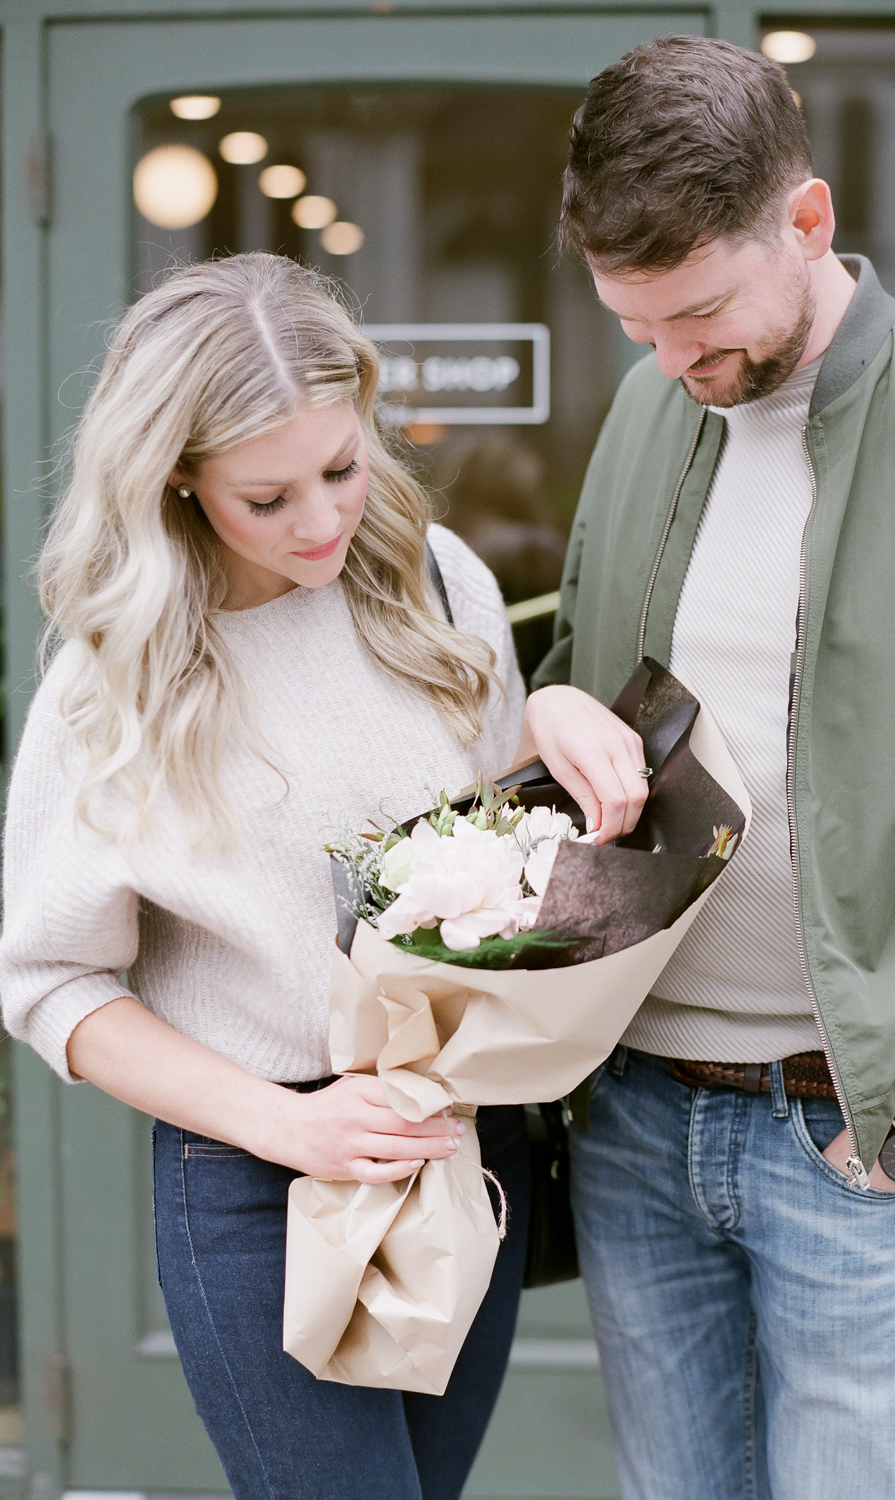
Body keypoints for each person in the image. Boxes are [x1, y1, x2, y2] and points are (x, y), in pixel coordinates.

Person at [520, 35, 895, 1500]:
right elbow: (585, 683)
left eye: (699, 313)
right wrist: (549, 712)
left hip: (853, 1127)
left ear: (809, 219)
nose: (668, 362)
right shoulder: (659, 405)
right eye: (631, 325)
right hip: (637, 1119)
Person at [0, 253, 548, 1500]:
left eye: (343, 469)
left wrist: (553, 719)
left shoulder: (435, 576)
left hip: (462, 1150)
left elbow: (498, 844)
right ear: (178, 477)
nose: (321, 521)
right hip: (256, 1175)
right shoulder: (116, 680)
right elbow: (48, 984)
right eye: (268, 495)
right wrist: (290, 1125)